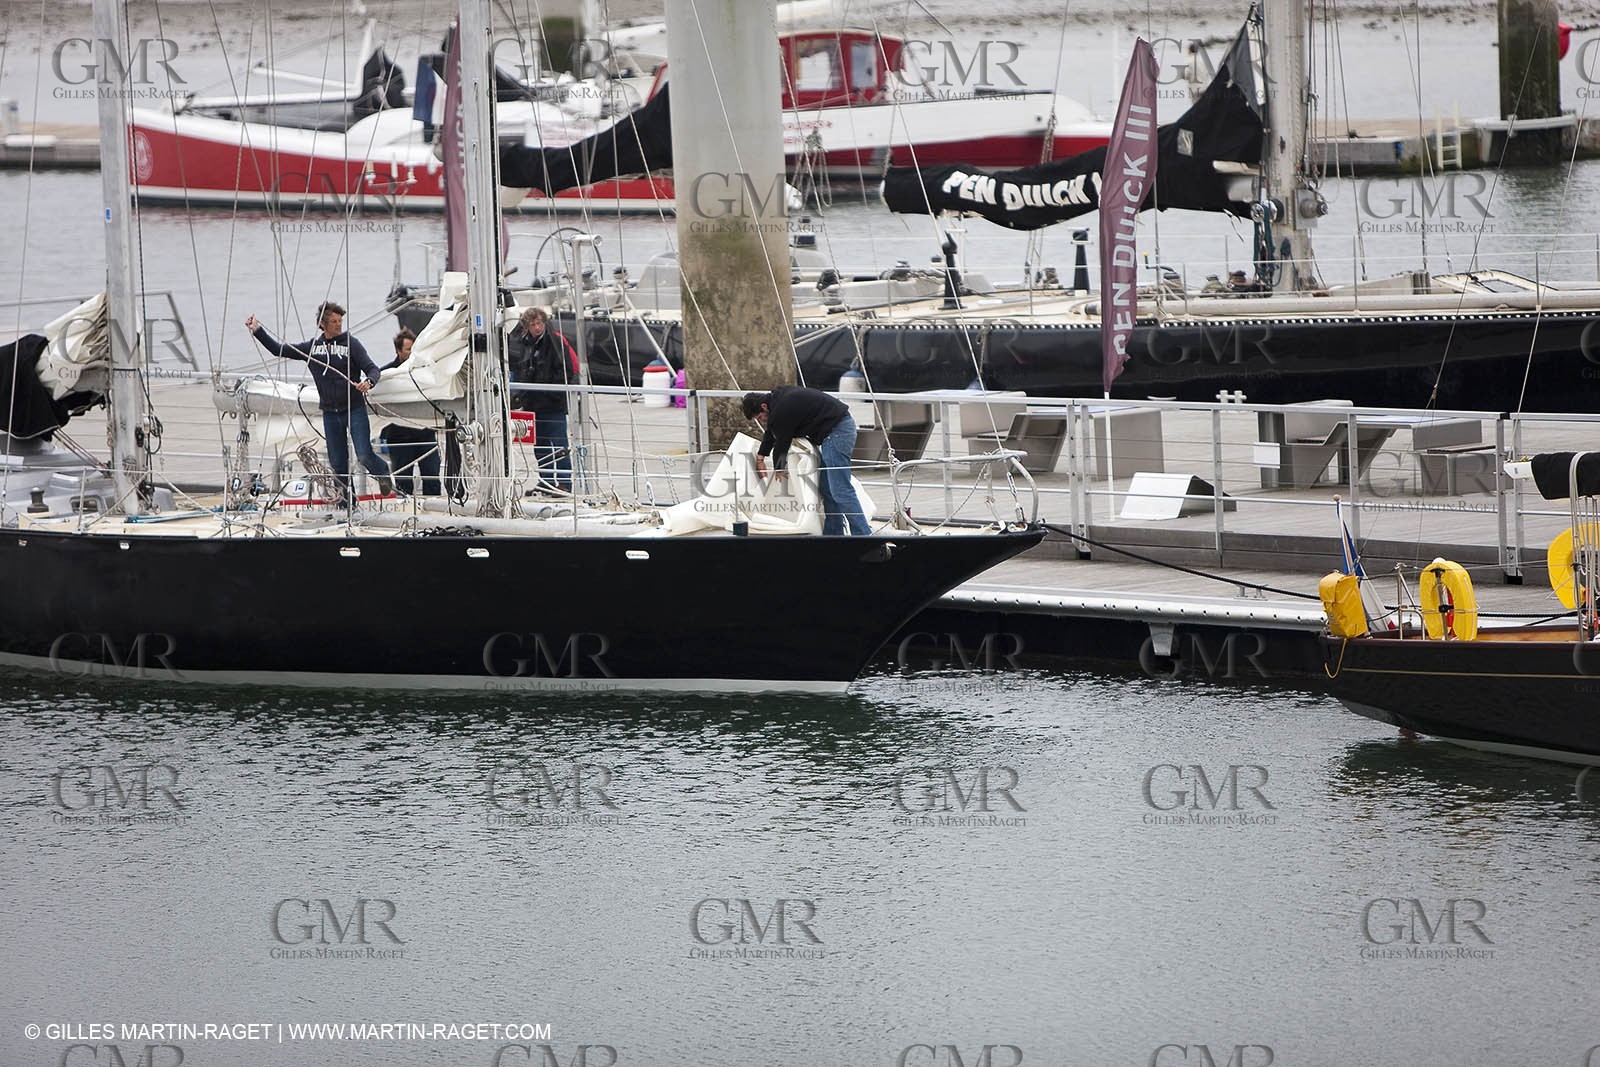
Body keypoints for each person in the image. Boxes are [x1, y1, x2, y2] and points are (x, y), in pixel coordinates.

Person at [245, 301, 391, 507]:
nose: (339, 325)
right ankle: (346, 504)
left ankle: (383, 472)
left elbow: (373, 369)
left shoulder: (352, 344)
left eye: (340, 321)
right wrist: (257, 330)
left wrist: (369, 382)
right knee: (338, 462)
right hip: (330, 413)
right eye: (333, 322)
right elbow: (279, 350)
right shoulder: (313, 348)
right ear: (322, 324)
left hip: (354, 408)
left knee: (364, 454)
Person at [742, 386, 870, 536]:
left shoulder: (781, 409)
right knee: (827, 488)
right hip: (836, 430)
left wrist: (779, 469)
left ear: (764, 407)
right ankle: (834, 533)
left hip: (837, 433)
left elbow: (782, 441)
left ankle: (862, 534)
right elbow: (772, 430)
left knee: (840, 490)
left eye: (759, 417)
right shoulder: (778, 399)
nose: (762, 421)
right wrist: (761, 456)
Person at [508, 307, 579, 493]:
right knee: (540, 446)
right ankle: (546, 481)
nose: (537, 327)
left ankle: (564, 483)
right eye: (533, 324)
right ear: (527, 326)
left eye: (540, 323)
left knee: (559, 445)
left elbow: (566, 370)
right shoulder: (525, 344)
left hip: (552, 403)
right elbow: (521, 370)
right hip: (533, 404)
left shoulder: (554, 341)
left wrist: (548, 388)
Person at [377, 328, 442, 496]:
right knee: (403, 481)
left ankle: (434, 510)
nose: (412, 353)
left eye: (414, 349)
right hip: (399, 436)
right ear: (398, 351)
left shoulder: (424, 371)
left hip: (425, 433)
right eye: (408, 350)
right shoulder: (386, 374)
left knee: (432, 478)